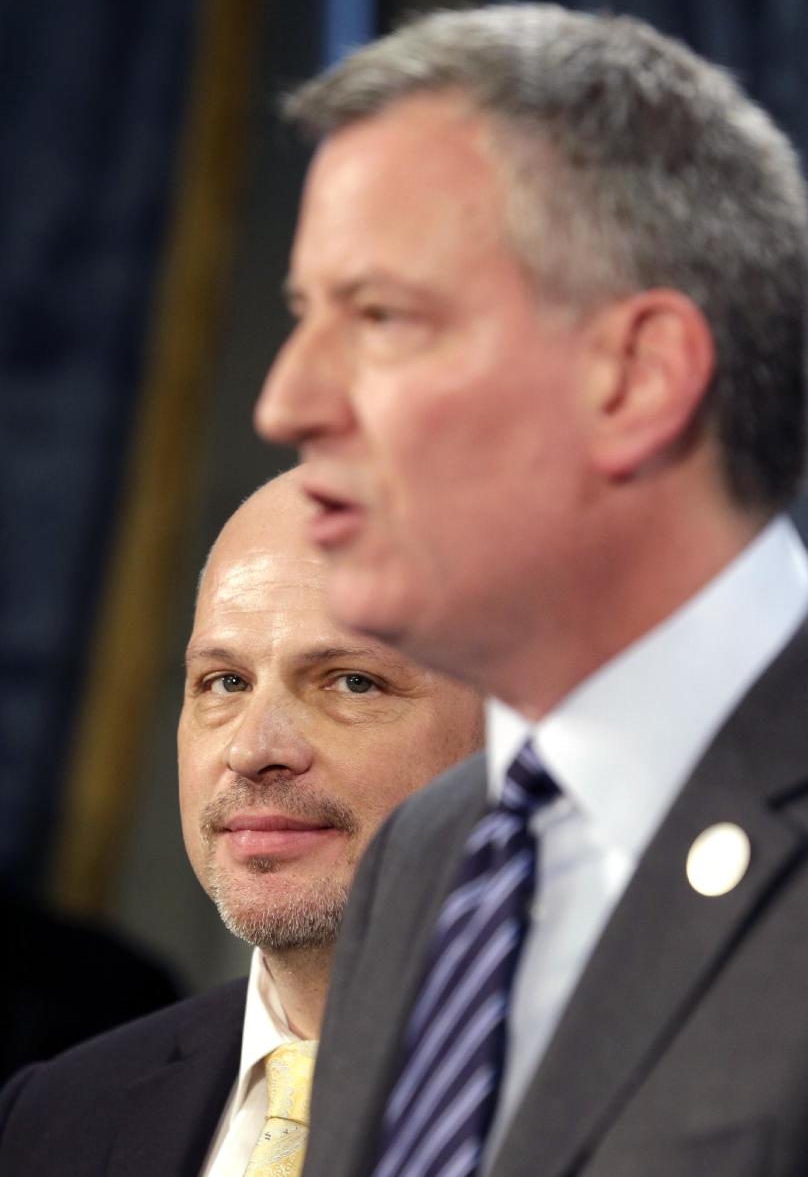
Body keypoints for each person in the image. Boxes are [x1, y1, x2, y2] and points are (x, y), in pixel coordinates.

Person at [255, 4, 808, 1177]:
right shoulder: (426, 854)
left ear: (637, 377)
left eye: (379, 317)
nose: (287, 402)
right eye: (300, 317)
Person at [0, 467, 483, 1175]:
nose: (254, 749)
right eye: (224, 681)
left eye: (352, 681)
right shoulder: (50, 1118)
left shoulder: (656, 1100)